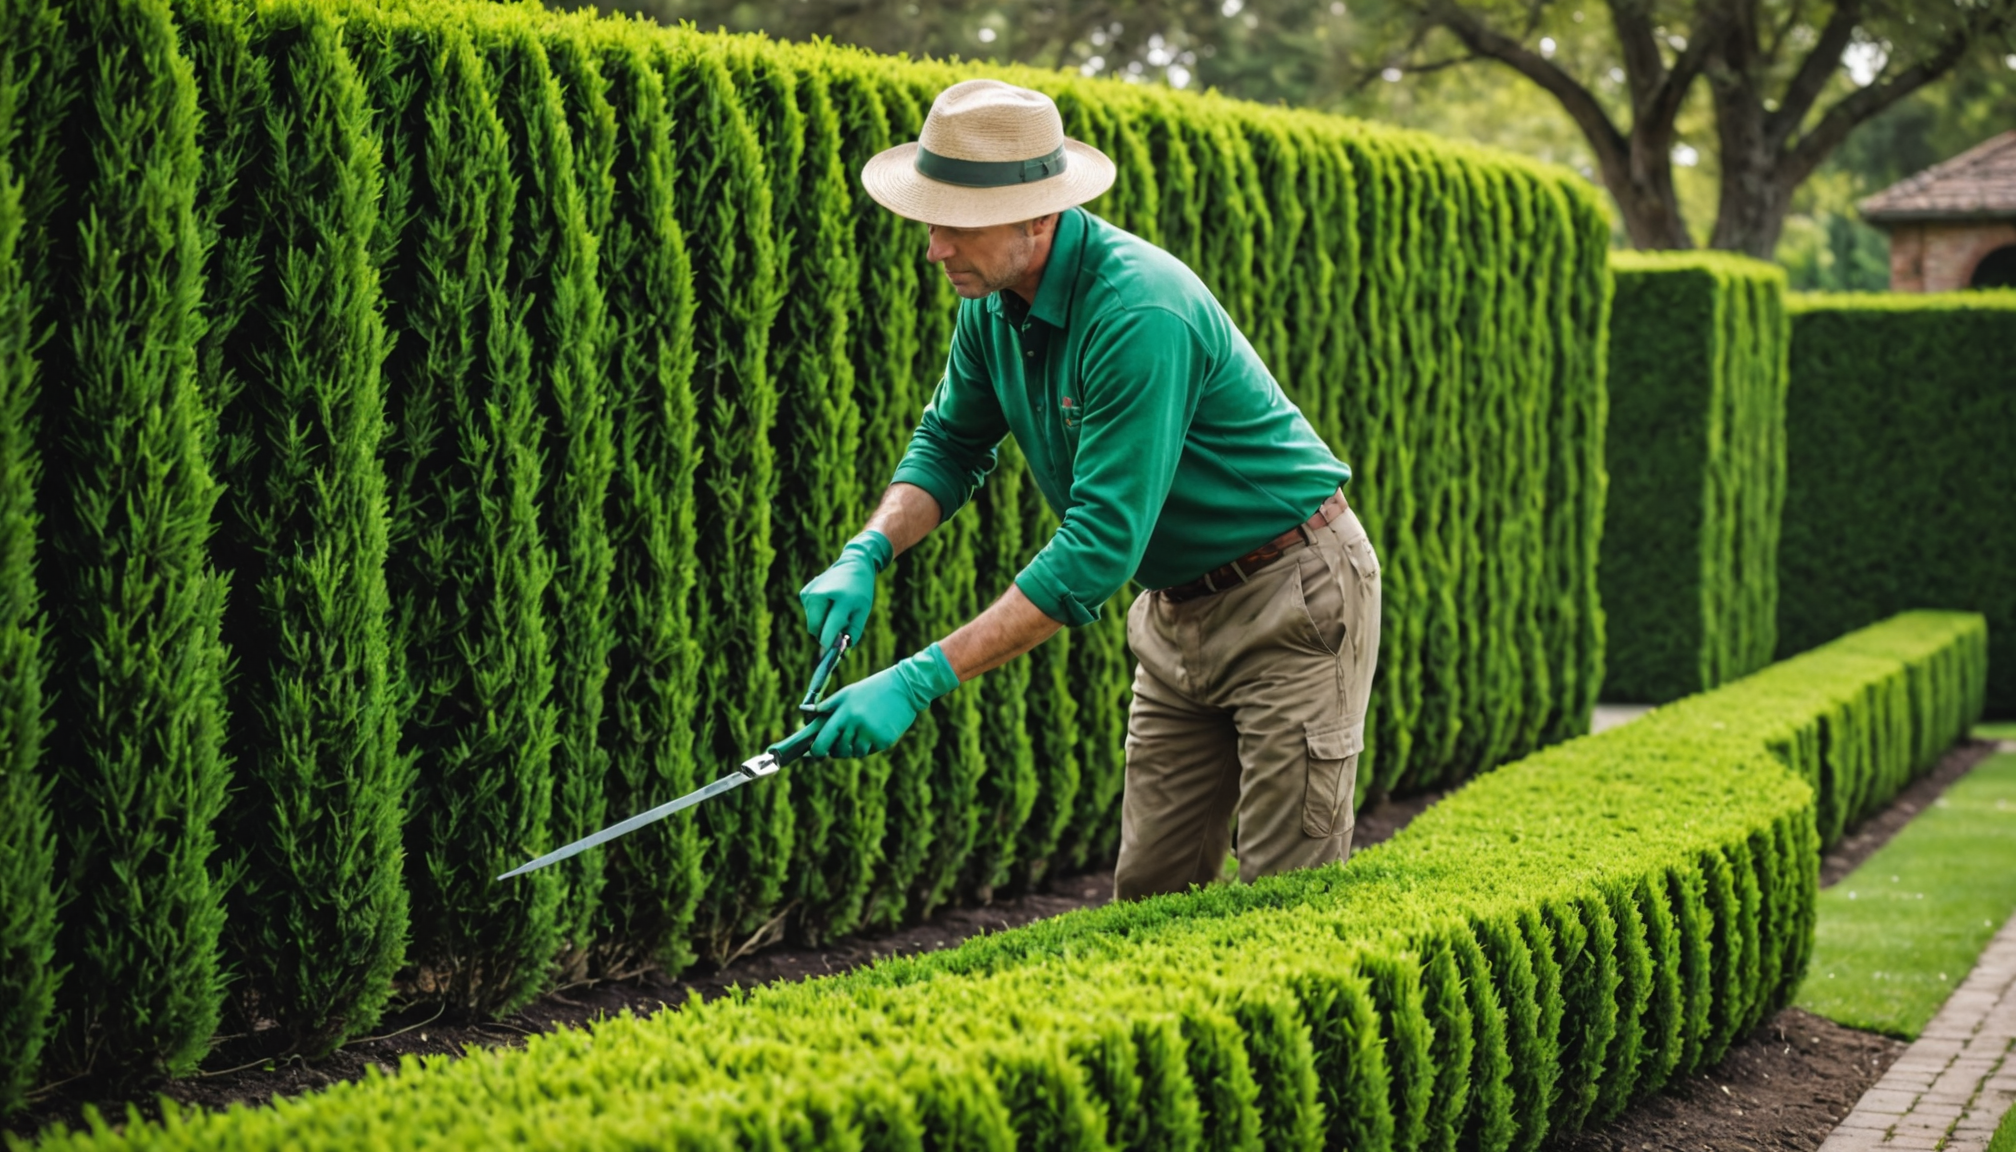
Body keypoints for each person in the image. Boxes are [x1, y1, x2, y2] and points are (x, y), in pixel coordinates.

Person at [795, 78, 1382, 900]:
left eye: (957, 226)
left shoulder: (1138, 311)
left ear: (1039, 216)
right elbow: (949, 445)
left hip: (1293, 595)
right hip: (1177, 612)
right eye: (932, 221)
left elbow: (1098, 550)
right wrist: (866, 550)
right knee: (1150, 895)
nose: (934, 249)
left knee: (1286, 900)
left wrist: (918, 678)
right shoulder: (993, 301)